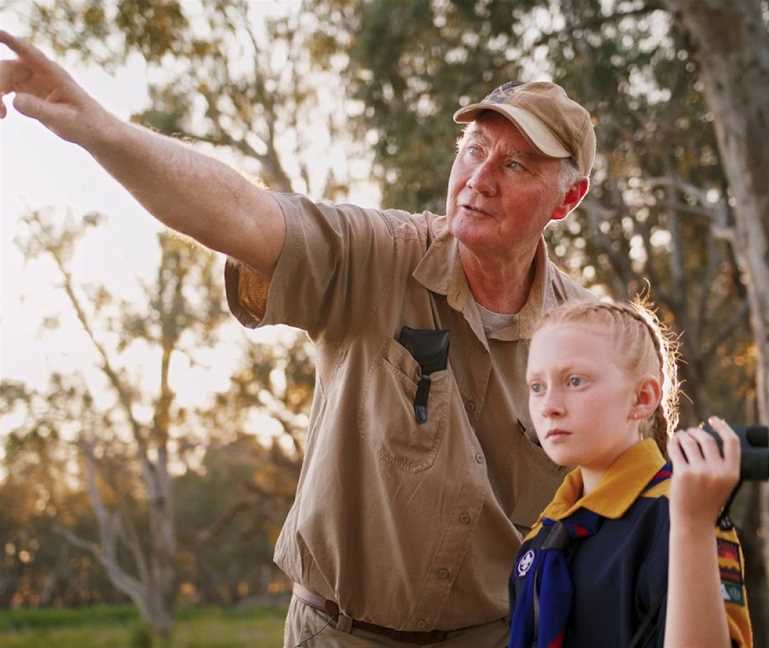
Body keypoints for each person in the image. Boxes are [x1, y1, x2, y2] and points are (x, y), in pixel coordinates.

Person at [1, 32, 599, 647]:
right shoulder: (379, 256)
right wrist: (101, 129)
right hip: (336, 634)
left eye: (516, 164)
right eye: (473, 149)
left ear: (568, 197)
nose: (480, 177)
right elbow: (244, 215)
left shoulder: (591, 337)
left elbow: (640, 504)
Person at [511, 299, 753, 647]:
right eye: (537, 387)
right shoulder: (543, 533)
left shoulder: (680, 512)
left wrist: (693, 527)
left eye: (575, 381)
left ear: (642, 397)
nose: (549, 406)